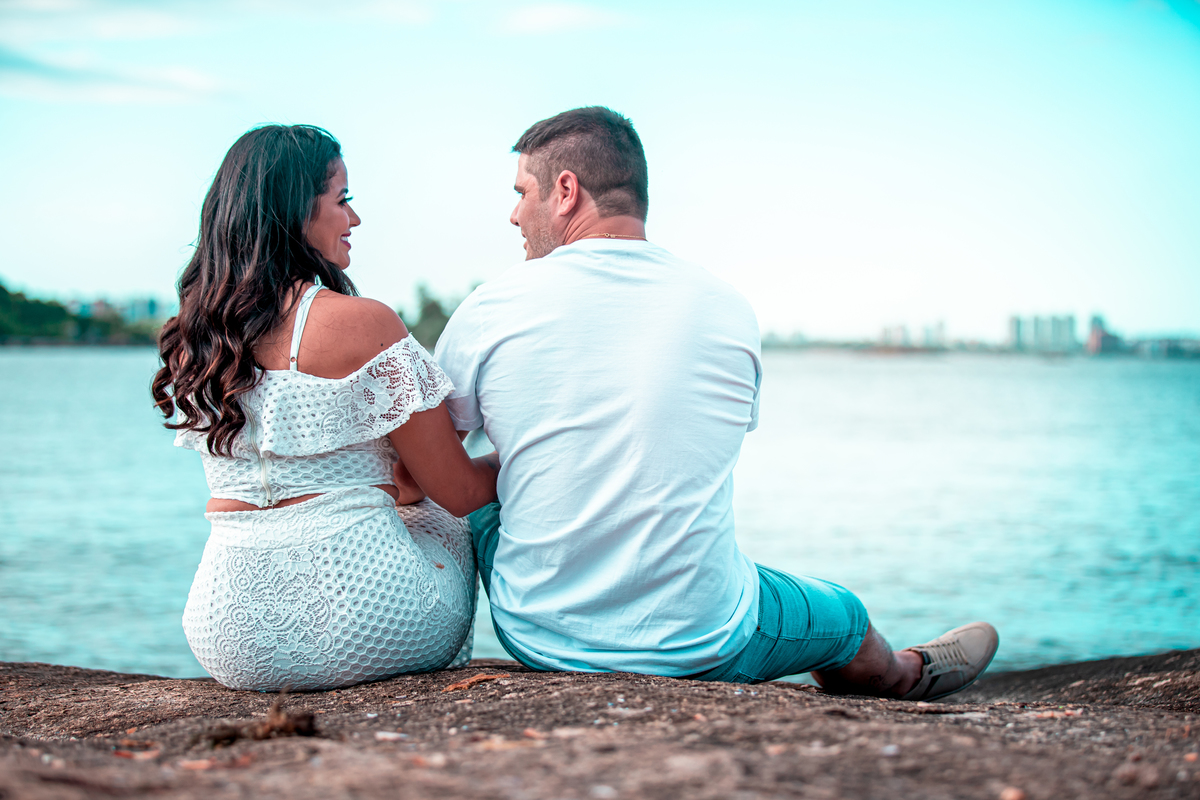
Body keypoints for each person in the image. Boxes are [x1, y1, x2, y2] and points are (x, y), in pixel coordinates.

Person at [432, 107, 998, 700]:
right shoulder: (726, 308)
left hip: (539, 636)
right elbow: (660, 443)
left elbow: (427, 457)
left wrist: (512, 463)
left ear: (566, 191)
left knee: (474, 499)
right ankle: (905, 673)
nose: (515, 213)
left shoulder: (491, 308)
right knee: (846, 618)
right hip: (702, 639)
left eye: (523, 193)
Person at [152, 125, 498, 692]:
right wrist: (524, 451)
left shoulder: (196, 334)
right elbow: (456, 492)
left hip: (227, 634)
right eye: (343, 201)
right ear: (295, 212)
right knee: (442, 513)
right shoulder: (364, 323)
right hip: (366, 622)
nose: (354, 220)